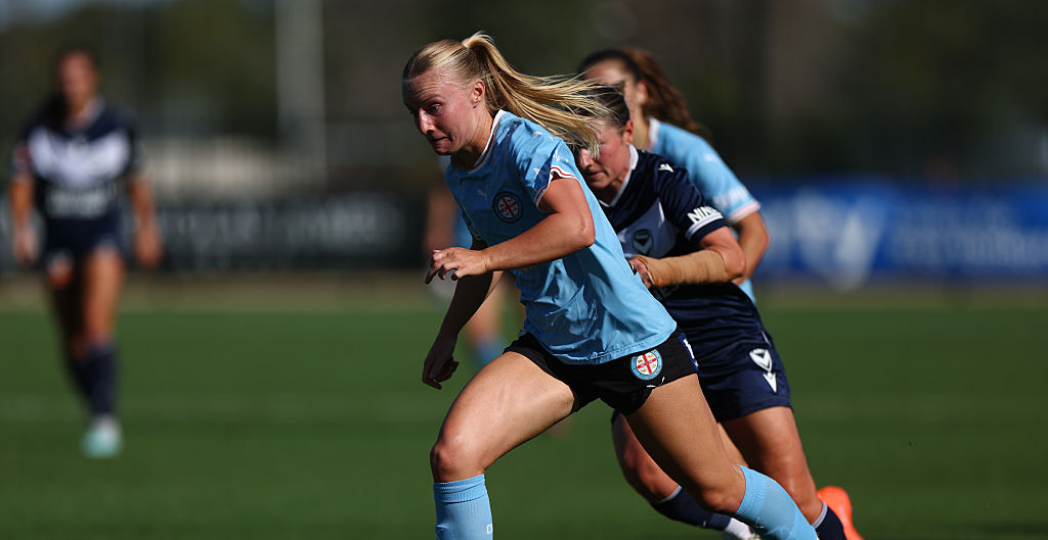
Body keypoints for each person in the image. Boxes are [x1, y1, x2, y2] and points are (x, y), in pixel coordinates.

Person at [403, 32, 818, 540]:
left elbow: (574, 226)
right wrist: (448, 334)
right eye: (414, 112)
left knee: (719, 490)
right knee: (454, 455)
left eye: (432, 107)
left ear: (477, 94)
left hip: (630, 340)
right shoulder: (462, 171)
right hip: (555, 347)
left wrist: (483, 255)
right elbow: (484, 255)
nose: (423, 124)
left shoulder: (526, 143)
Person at [578, 49, 865, 540]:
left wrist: (682, 278)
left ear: (635, 103)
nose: (585, 157)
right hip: (654, 344)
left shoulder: (675, 162)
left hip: (722, 332)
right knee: (651, 473)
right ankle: (751, 528)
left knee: (789, 490)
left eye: (613, 92)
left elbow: (740, 245)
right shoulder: (575, 183)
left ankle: (809, 519)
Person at [7, 45, 162, 458]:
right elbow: (20, 186)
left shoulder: (116, 126)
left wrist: (147, 228)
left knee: (96, 325)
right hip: (58, 241)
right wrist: (21, 230)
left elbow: (137, 182)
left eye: (77, 76)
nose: (69, 85)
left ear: (92, 79)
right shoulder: (38, 128)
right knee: (72, 339)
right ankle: (95, 404)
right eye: (63, 78)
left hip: (102, 235)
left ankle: (105, 418)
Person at [578, 48, 769, 303]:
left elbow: (755, 231)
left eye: (615, 89)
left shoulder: (686, 152)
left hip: (710, 314)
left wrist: (719, 298)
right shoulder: (583, 160)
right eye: (591, 94)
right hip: (654, 318)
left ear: (642, 92)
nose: (603, 100)